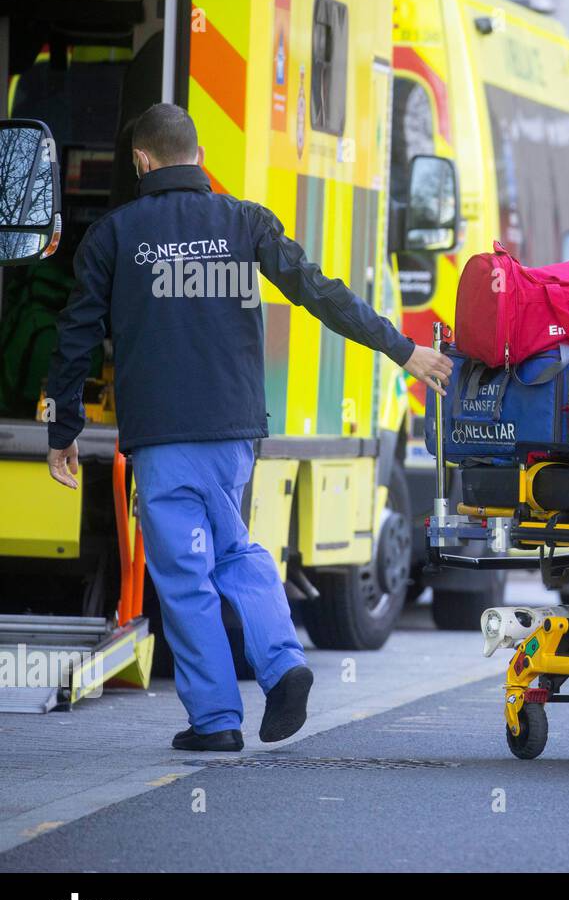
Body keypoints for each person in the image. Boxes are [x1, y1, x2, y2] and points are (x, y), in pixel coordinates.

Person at [44, 103, 452, 752]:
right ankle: (284, 662)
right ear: (199, 156)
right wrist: (404, 350)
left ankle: (215, 720)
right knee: (236, 548)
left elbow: (76, 335)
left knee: (184, 575)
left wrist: (62, 426)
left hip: (163, 437)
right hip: (234, 432)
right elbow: (321, 293)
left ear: (141, 161)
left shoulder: (114, 236)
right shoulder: (245, 222)